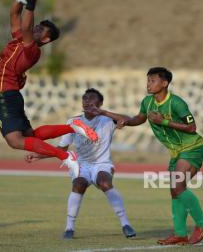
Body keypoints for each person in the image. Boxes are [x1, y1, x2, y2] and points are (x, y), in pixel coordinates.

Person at [87, 67, 203, 245]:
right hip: (177, 151)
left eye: (152, 80)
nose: (148, 84)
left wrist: (164, 121)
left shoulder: (177, 103)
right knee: (175, 192)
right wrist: (106, 113)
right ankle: (180, 234)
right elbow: (137, 119)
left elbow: (192, 128)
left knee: (178, 186)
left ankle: (202, 224)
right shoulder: (147, 102)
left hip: (193, 147)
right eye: (148, 80)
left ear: (165, 83)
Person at [0, 0, 98, 177]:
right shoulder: (20, 38)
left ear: (46, 39)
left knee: (15, 141)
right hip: (10, 96)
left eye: (41, 30)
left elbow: (24, 26)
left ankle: (65, 156)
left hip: (5, 96)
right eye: (37, 26)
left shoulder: (32, 51)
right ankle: (72, 127)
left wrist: (31, 4)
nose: (36, 29)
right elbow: (14, 13)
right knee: (31, 136)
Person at [25, 88, 136, 239]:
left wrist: (103, 112)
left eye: (91, 98)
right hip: (82, 164)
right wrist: (38, 155)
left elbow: (128, 119)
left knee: (105, 183)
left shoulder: (107, 120)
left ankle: (125, 224)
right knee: (78, 184)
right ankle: (69, 228)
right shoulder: (73, 122)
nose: (87, 101)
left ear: (100, 102)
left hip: (102, 163)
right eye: (85, 98)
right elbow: (61, 148)